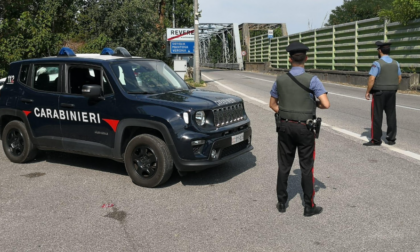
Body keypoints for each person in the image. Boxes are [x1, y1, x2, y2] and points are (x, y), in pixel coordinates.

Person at [269, 42, 330, 217]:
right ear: (306, 58)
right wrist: (313, 103)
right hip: (305, 128)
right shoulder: (313, 79)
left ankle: (282, 202)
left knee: (284, 165)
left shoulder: (280, 80)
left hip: (285, 126)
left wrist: (287, 112)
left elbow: (272, 105)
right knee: (306, 167)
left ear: (289, 59)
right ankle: (308, 206)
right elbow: (326, 104)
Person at [364, 41, 402, 146]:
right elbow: (399, 77)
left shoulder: (377, 63)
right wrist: (392, 86)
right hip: (392, 92)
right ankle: (391, 139)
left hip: (379, 92)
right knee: (391, 115)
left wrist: (367, 91)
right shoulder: (396, 63)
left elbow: (372, 79)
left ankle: (376, 140)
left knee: (376, 115)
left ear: (379, 51)